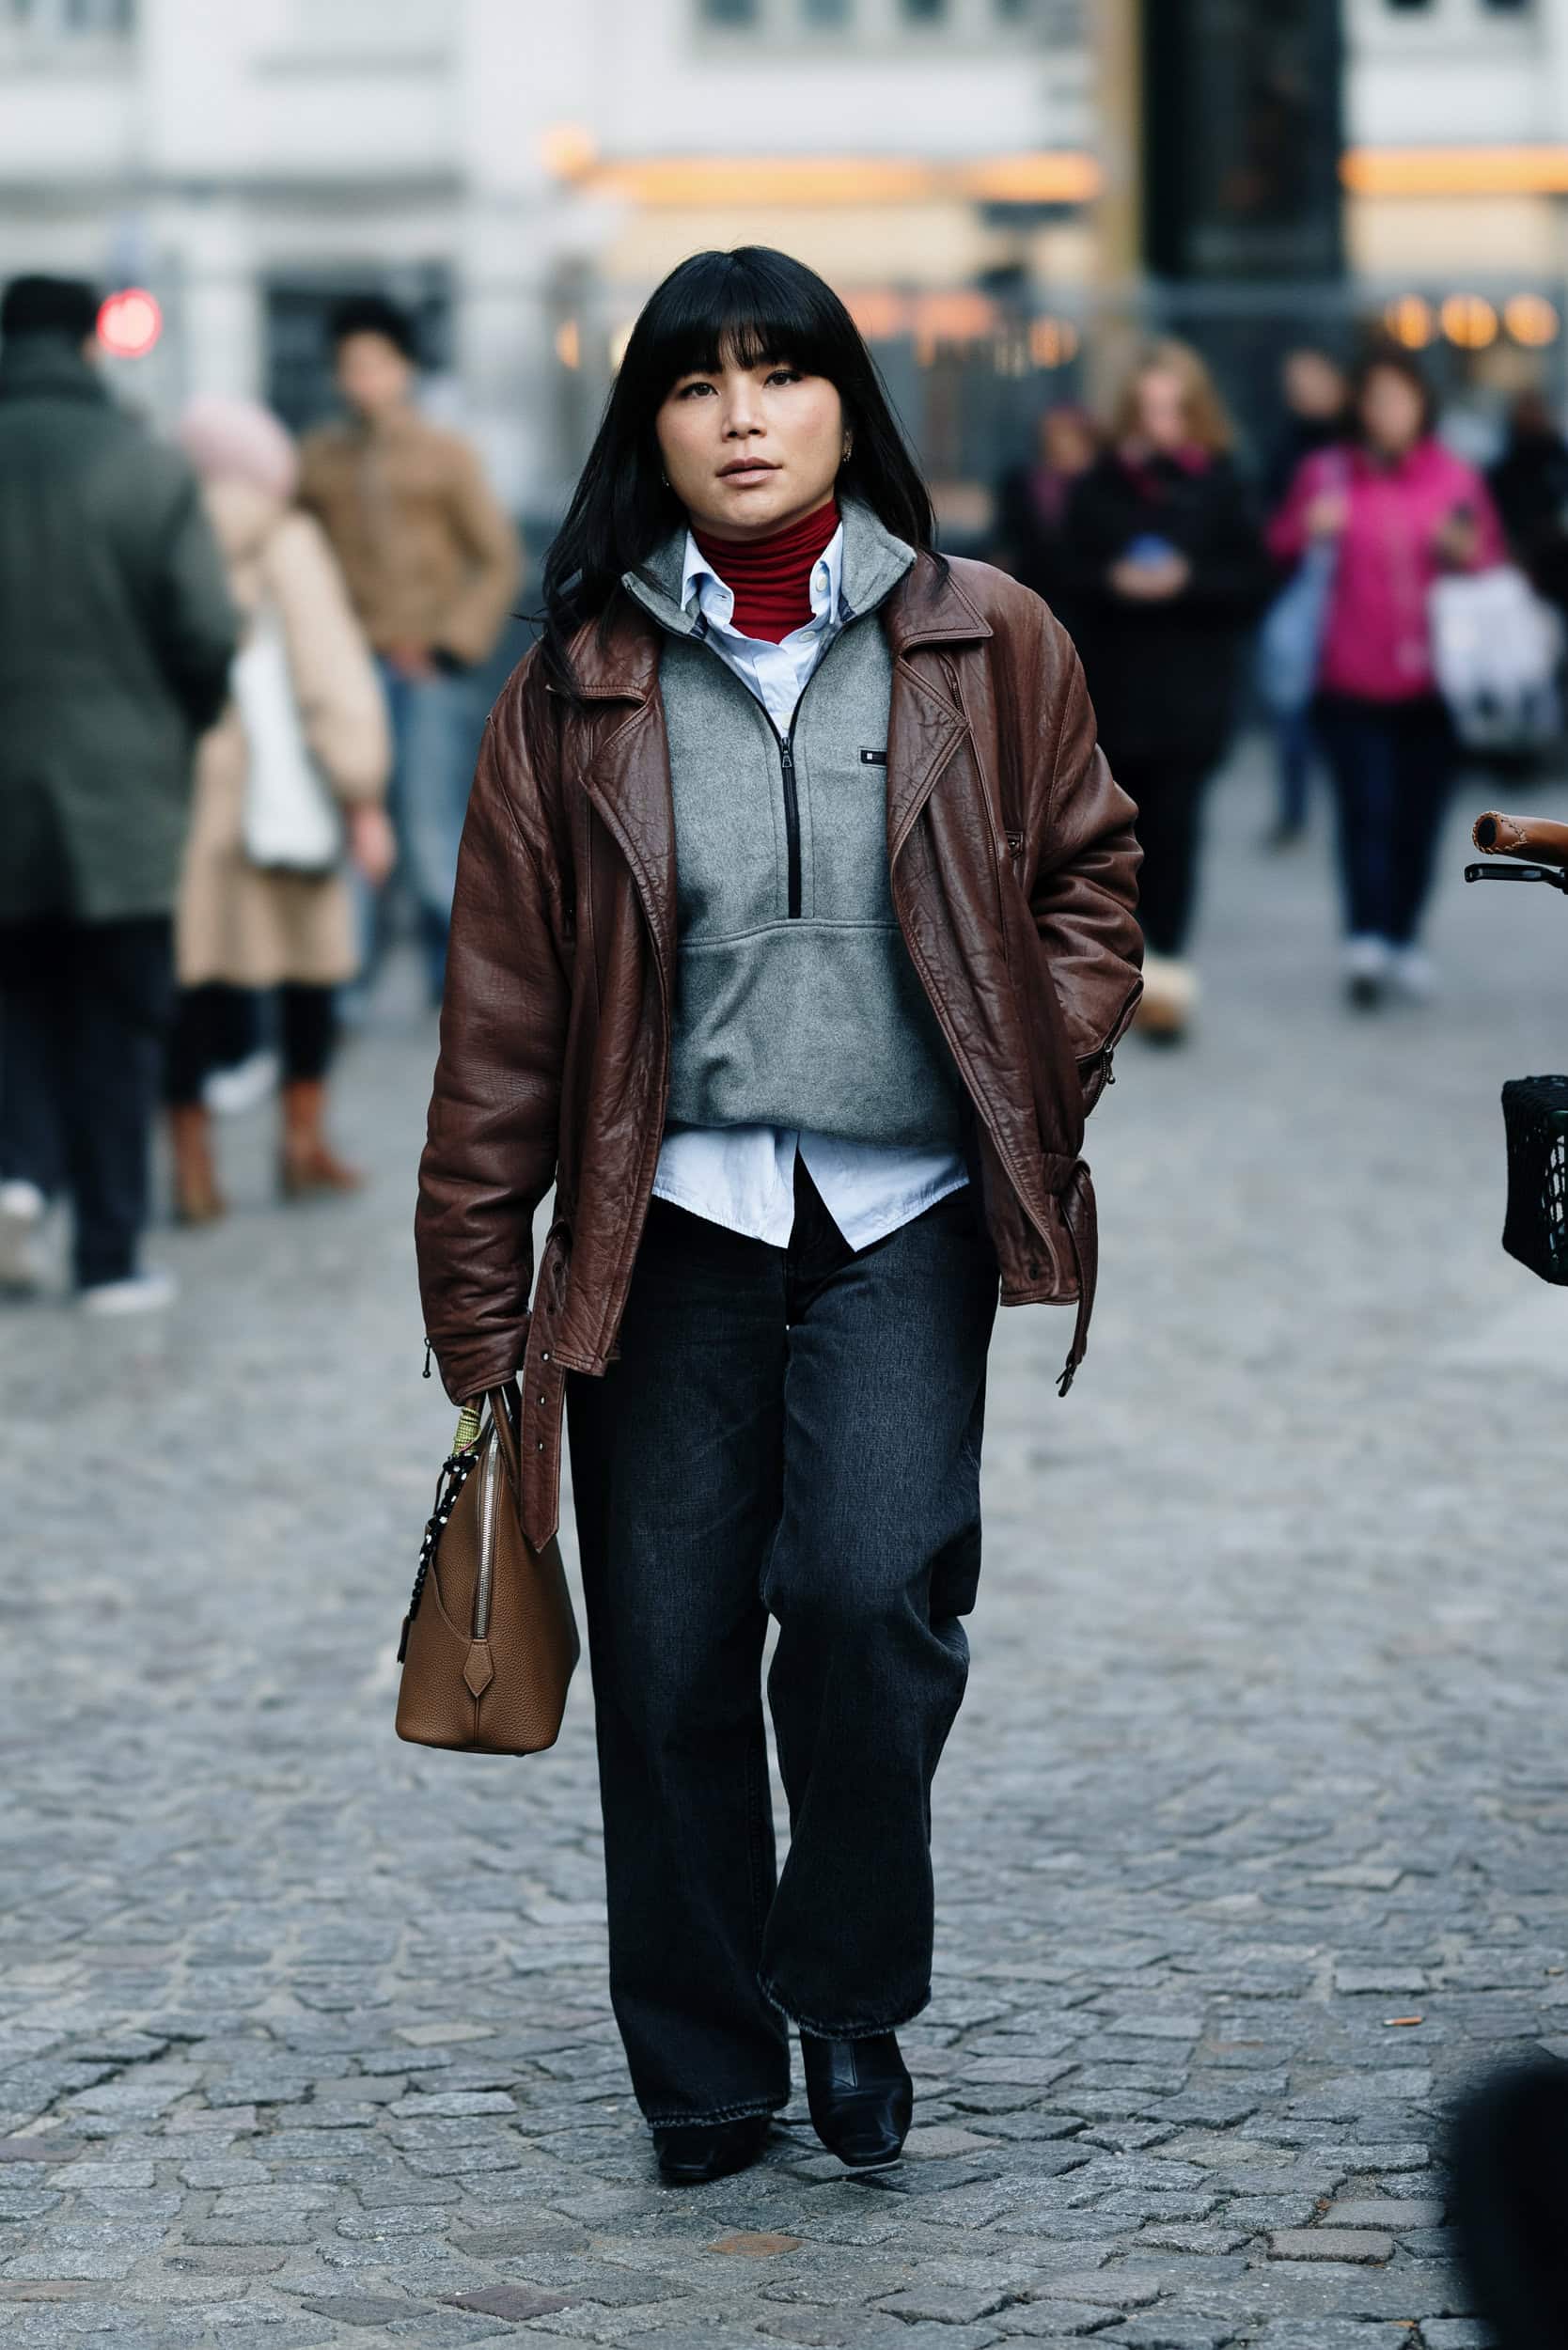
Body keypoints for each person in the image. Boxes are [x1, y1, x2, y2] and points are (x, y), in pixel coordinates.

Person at [415, 246, 1142, 2188]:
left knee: (866, 1601)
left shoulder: (987, 636)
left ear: (847, 406)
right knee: (661, 1666)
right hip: (667, 1232)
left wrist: (1037, 1053)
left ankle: (849, 1988)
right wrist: (480, 1300)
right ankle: (706, 2065)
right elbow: (501, 1010)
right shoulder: (577, 678)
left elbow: (1092, 872)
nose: (741, 415)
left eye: (783, 373)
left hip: (902, 1207)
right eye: (696, 383)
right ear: (646, 422)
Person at [0, 274, 237, 1312]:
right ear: (92, 344)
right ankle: (108, 1254)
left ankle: (17, 1173)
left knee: (15, 1005)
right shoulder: (147, 467)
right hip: (122, 792)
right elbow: (206, 632)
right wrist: (171, 724)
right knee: (120, 1018)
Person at [165, 398, 394, 1224]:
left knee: (192, 973)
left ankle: (191, 1164)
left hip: (189, 791)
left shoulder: (166, 533)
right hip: (285, 791)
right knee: (310, 969)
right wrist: (362, 791)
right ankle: (301, 1144)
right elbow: (329, 669)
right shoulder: (287, 538)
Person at [298, 294, 520, 1004]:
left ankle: (453, 981)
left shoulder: (444, 455)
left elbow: (498, 558)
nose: (365, 379)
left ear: (404, 369)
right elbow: (297, 560)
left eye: (378, 364)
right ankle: (347, 980)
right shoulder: (317, 460)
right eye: (352, 367)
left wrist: (451, 644)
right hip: (345, 671)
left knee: (432, 828)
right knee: (350, 823)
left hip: (425, 668)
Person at [1269, 346, 1505, 1008]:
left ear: (1422, 406)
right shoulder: (1327, 474)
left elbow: (1489, 560)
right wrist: (1308, 530)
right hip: (1348, 677)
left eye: (1400, 399)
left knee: (1419, 820)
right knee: (1363, 812)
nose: (1389, 413)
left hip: (1437, 683)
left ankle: (1403, 934)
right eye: (1376, 400)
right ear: (1359, 409)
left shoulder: (1454, 478)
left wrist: (1468, 552)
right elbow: (1278, 548)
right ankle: (1365, 938)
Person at [1064, 338, 1270, 1042]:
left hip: (1190, 694)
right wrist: (1112, 582)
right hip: (1115, 692)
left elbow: (1251, 582)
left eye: (1174, 409)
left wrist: (1189, 583)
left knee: (1177, 835)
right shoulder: (1099, 485)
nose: (1161, 424)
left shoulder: (1222, 484)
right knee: (1115, 842)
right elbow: (1062, 576)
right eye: (1149, 409)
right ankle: (1121, 975)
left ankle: (1170, 974)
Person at [1262, 349, 1352, 848]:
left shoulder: (1357, 451)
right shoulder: (1292, 451)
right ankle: (1294, 809)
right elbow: (1275, 533)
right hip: (1303, 598)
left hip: (1354, 609)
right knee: (1292, 715)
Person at [992, 401, 1099, 627]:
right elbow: (1009, 535)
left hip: (1088, 601)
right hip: (1032, 591)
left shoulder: (1099, 483)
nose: (1061, 444)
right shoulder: (1022, 481)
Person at [1487, 387, 1568, 615]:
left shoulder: (1558, 460)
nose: (1532, 416)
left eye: (1536, 409)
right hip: (1523, 573)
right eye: (1526, 409)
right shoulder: (1504, 472)